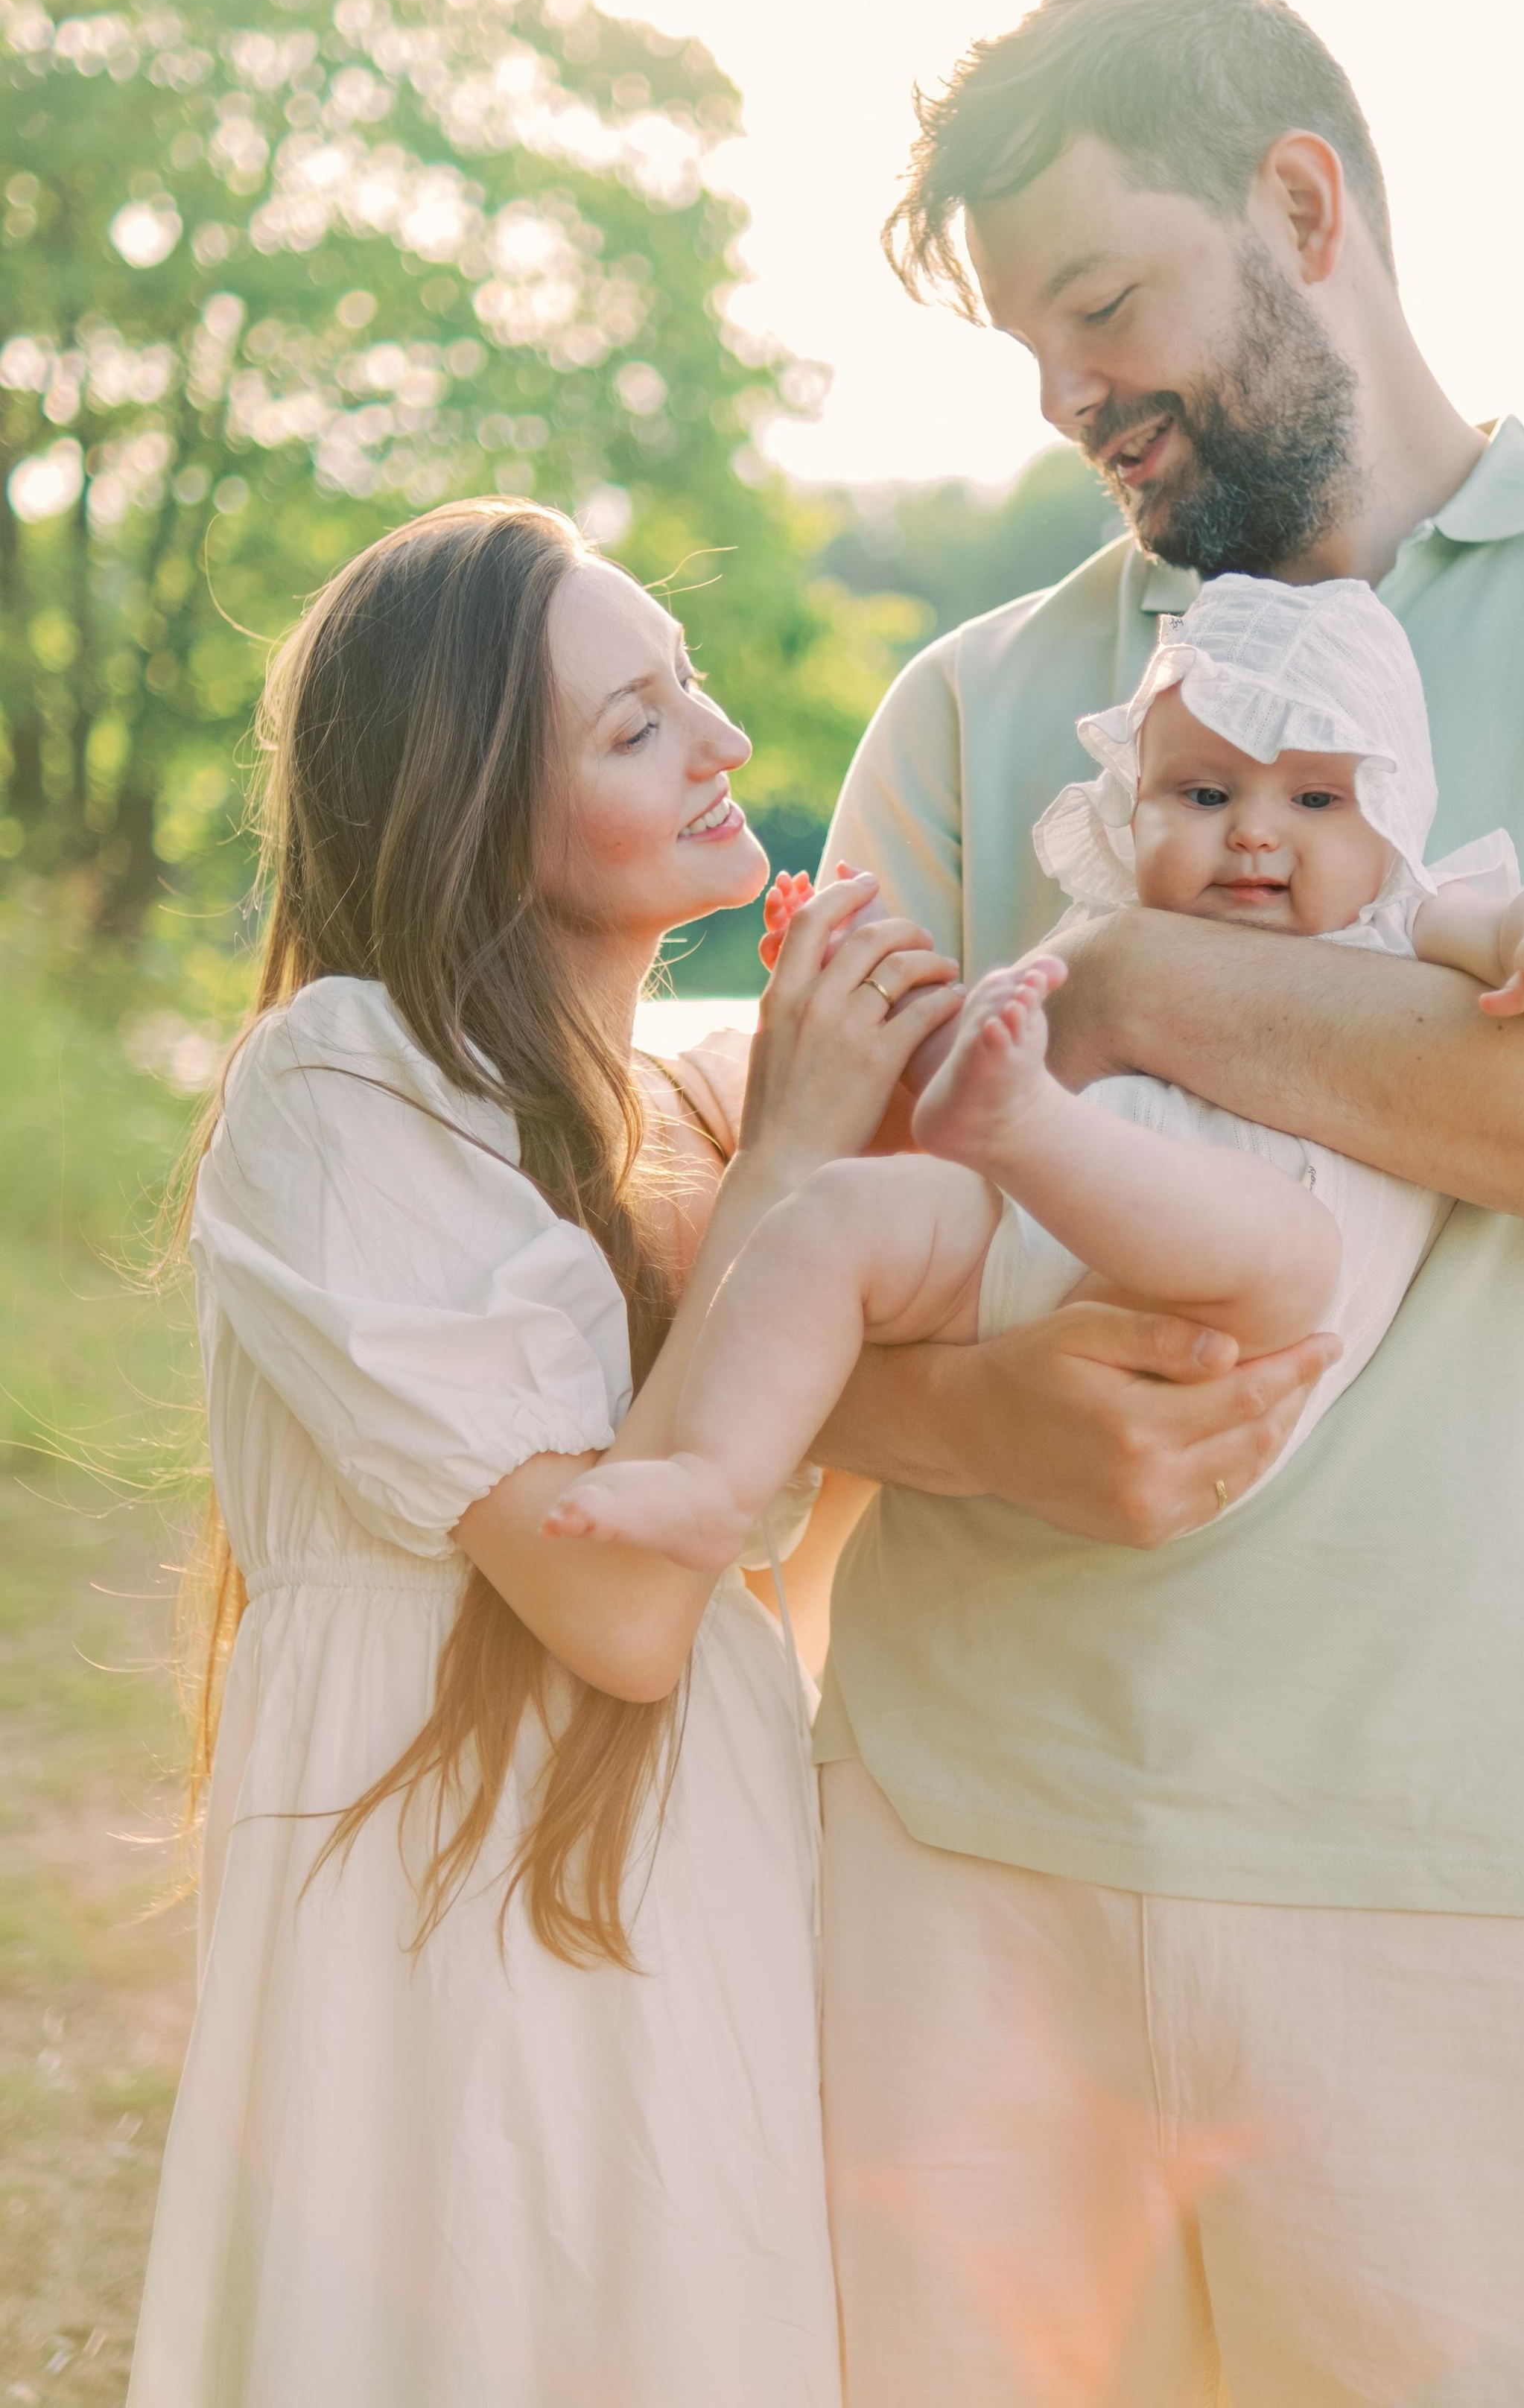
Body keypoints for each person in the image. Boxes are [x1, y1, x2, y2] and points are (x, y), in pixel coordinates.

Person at [801, 0, 1524, 2405]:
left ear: (1303, 205)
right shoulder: (974, 705)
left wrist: (1141, 993)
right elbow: (794, 1254)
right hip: (966, 1859)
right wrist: (978, 1427)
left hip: (1485, 1882)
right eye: (1027, 349)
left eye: (1102, 300)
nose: (1072, 392)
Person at [127, 500, 960, 2408]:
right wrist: (796, 1168)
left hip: (689, 1853)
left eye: (691, 691)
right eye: (635, 723)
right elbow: (612, 1606)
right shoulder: (340, 1084)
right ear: (472, 805)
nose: (724, 743)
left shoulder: (648, 1102)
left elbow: (752, 1589)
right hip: (454, 1896)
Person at [550, 574, 1524, 1573]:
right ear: (1134, 810)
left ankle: (1028, 1131)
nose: (1255, 833)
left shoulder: (1405, 917)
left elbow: (1518, 919)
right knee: (839, 1215)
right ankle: (716, 1480)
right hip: (1036, 1257)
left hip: (1237, 1310)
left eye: (1313, 798)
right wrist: (883, 991)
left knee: (1292, 1237)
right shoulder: (1095, 933)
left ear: (1390, 819)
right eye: (1205, 795)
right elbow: (955, 1061)